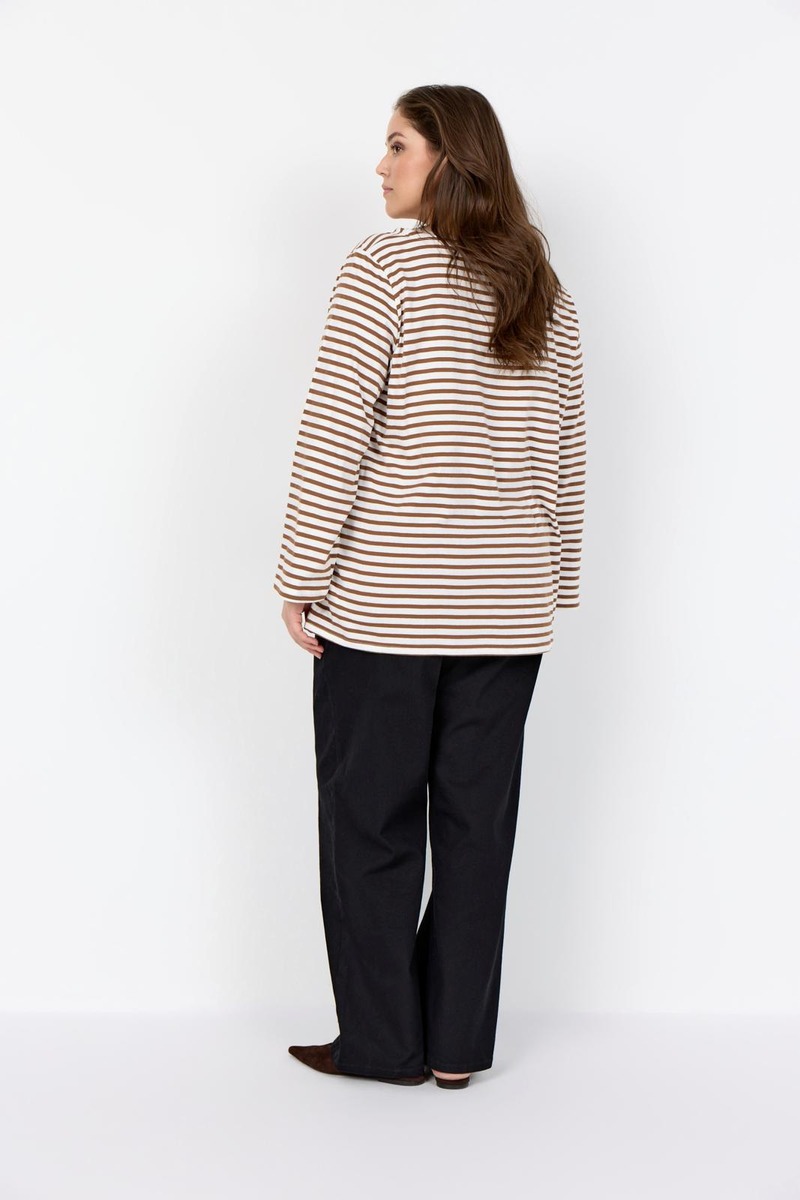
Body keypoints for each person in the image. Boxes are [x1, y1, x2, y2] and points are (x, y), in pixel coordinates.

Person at [273, 84, 586, 1089]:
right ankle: (455, 1049)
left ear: (450, 158)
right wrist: (553, 582)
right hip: (508, 611)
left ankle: (382, 1044)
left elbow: (334, 430)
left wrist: (299, 575)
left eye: (398, 145)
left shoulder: (383, 267)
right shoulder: (541, 285)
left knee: (370, 826)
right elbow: (564, 450)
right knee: (475, 831)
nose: (380, 165)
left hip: (389, 608)